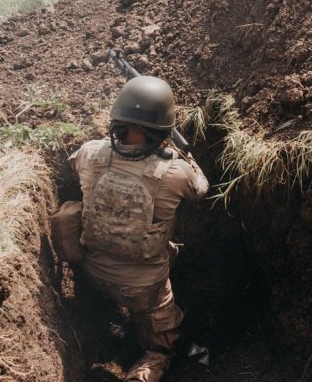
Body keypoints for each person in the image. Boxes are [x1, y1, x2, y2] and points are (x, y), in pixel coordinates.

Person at [68, 75, 209, 381]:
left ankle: (108, 322)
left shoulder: (90, 152)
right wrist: (186, 156)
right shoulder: (176, 171)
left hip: (92, 271)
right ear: (162, 130)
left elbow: (74, 163)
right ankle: (147, 367)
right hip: (144, 288)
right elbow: (200, 191)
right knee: (162, 345)